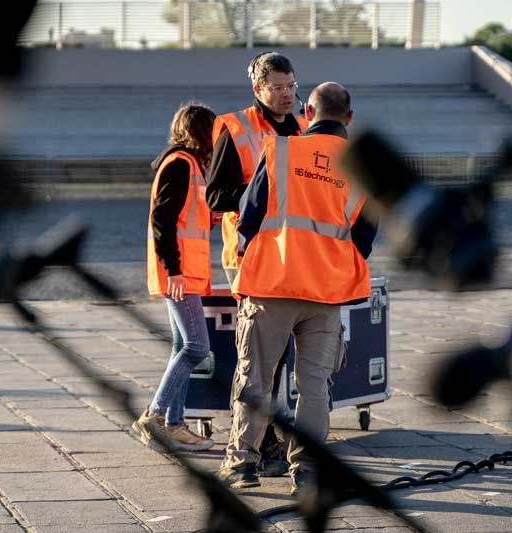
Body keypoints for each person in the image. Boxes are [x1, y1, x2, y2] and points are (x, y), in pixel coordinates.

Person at [217, 82, 378, 494]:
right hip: (325, 294)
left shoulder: (280, 150)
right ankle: (306, 471)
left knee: (256, 377)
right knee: (314, 386)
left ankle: (242, 465)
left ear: (308, 111)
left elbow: (248, 219)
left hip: (271, 284)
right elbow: (364, 239)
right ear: (349, 117)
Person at [207, 51, 309, 478]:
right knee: (257, 351)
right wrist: (263, 190)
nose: (287, 95)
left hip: (296, 255)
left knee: (282, 350)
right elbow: (215, 196)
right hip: (250, 257)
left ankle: (269, 430)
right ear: (258, 89)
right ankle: (259, 440)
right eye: (278, 88)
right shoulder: (236, 127)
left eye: (291, 86)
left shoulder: (306, 127)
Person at [132, 102, 216, 452]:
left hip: (186, 272)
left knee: (182, 346)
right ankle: (155, 415)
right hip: (179, 273)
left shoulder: (192, 166)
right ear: (200, 133)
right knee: (198, 348)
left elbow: (190, 218)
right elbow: (162, 221)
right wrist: (175, 270)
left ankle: (175, 424)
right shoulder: (180, 164)